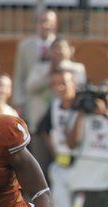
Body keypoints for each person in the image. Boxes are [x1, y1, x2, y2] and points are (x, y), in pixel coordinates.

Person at [36, 69, 97, 207]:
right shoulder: (52, 108)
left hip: (84, 172)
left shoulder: (84, 107)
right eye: (57, 84)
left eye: (65, 82)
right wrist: (55, 150)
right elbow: (44, 130)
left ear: (74, 83)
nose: (61, 87)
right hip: (61, 171)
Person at [26, 37, 86, 175]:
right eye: (55, 48)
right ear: (49, 52)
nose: (58, 52)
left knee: (67, 165)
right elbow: (30, 87)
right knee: (42, 165)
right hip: (43, 123)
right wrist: (50, 71)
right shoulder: (40, 67)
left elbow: (80, 89)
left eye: (62, 48)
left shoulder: (77, 69)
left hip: (67, 122)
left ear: (70, 51)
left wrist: (65, 73)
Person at [13, 10, 57, 117]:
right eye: (42, 21)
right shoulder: (25, 46)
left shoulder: (60, 45)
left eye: (49, 22)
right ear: (37, 24)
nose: (46, 25)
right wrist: (19, 102)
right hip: (32, 100)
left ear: (55, 24)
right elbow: (19, 75)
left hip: (55, 99)